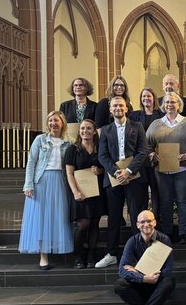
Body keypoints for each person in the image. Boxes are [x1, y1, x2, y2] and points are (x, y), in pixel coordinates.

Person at [95, 96, 149, 269]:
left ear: (126, 108)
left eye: (121, 105)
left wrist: (129, 171)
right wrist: (116, 172)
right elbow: (102, 155)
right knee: (114, 218)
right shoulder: (105, 130)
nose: (118, 108)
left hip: (134, 177)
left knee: (136, 217)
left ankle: (141, 253)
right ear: (110, 110)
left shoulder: (137, 126)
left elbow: (143, 151)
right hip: (113, 179)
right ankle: (112, 253)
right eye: (114, 106)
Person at [19, 110, 74, 269]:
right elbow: (31, 162)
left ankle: (57, 247)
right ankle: (43, 256)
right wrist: (28, 184)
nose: (53, 124)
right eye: (50, 121)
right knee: (41, 218)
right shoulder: (40, 140)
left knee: (59, 216)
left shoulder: (69, 142)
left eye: (56, 121)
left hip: (61, 182)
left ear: (62, 123)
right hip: (41, 181)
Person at [146, 92, 186, 244]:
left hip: (182, 170)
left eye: (173, 102)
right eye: (167, 102)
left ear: (179, 105)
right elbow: (147, 144)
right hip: (162, 171)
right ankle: (167, 233)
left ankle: (183, 233)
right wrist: (151, 155)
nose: (170, 104)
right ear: (163, 105)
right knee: (165, 202)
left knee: (183, 201)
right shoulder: (155, 124)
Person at [113, 210, 175, 305]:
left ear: (155, 222)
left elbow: (168, 270)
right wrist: (143, 278)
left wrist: (136, 269)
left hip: (156, 284)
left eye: (149, 221)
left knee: (170, 281)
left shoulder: (164, 240)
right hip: (140, 284)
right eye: (142, 222)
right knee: (119, 285)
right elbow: (122, 270)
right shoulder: (132, 241)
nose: (146, 224)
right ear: (137, 225)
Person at [64, 119, 107, 269]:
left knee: (95, 222)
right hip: (80, 193)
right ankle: (78, 255)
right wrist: (75, 192)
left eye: (89, 128)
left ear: (94, 131)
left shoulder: (100, 148)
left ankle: (91, 254)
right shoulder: (72, 149)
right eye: (82, 128)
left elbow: (106, 166)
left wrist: (100, 170)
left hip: (97, 192)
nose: (85, 131)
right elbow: (69, 173)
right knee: (83, 224)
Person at [130, 88, 164, 219]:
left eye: (149, 96)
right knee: (142, 191)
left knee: (156, 190)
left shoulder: (161, 114)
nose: (146, 99)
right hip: (141, 160)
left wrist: (153, 152)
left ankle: (155, 218)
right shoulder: (135, 115)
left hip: (157, 158)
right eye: (143, 96)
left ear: (154, 98)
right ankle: (143, 219)